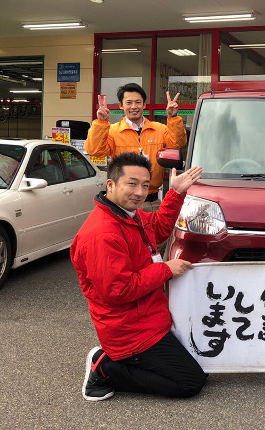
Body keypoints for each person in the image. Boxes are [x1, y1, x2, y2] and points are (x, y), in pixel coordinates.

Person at [71, 152, 207, 401]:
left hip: (149, 318)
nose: (140, 192)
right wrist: (166, 269)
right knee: (191, 382)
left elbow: (160, 228)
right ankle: (105, 368)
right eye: (131, 184)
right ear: (111, 184)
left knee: (201, 367)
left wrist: (176, 193)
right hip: (130, 332)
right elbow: (118, 291)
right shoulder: (102, 234)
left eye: (145, 185)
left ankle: (118, 362)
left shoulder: (130, 216)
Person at [84, 83, 187, 211]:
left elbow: (178, 143)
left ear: (144, 105)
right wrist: (101, 122)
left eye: (138, 102)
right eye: (129, 102)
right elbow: (94, 150)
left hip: (151, 202)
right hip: (121, 202)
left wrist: (173, 118)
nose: (133, 106)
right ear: (121, 105)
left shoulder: (159, 129)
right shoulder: (112, 131)